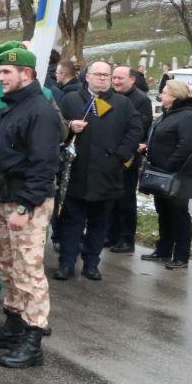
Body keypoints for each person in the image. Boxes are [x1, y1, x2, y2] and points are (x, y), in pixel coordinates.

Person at [0, 48, 61, 367]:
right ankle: (13, 324)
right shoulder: (13, 108)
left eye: (5, 73)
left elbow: (43, 166)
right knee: (8, 266)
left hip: (28, 202)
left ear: (25, 74)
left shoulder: (41, 111)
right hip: (5, 196)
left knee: (28, 270)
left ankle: (33, 338)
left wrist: (25, 206)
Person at [55, 61, 143, 281]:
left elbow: (135, 130)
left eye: (107, 75)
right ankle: (66, 263)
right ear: (87, 77)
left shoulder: (122, 103)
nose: (103, 78)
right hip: (76, 172)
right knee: (71, 222)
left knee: (99, 223)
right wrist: (68, 126)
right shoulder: (72, 99)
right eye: (98, 74)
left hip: (108, 174)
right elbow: (55, 126)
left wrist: (120, 156)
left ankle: (91, 264)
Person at [141, 79, 192, 270]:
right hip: (161, 172)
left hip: (179, 175)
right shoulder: (169, 113)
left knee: (179, 214)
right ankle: (164, 249)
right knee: (163, 212)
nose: (161, 95)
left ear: (174, 96)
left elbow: (186, 146)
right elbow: (164, 138)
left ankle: (181, 255)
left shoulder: (188, 116)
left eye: (164, 92)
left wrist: (168, 166)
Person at [108, 66, 153, 254]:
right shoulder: (110, 95)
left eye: (120, 78)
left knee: (125, 199)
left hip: (128, 157)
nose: (116, 82)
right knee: (110, 198)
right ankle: (111, 235)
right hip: (109, 155)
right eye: (114, 78)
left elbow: (139, 128)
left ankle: (127, 239)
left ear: (132, 80)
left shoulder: (141, 100)